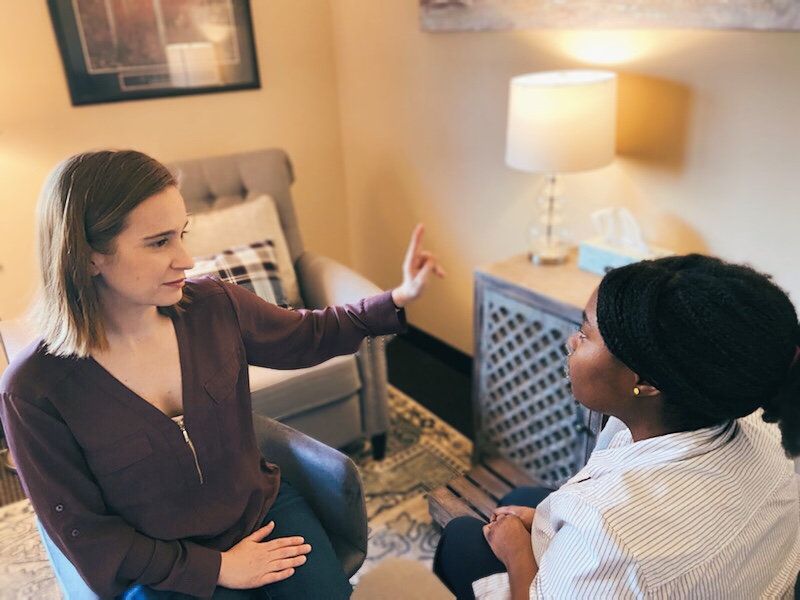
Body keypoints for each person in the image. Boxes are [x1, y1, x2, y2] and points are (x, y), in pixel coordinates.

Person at [0, 149, 445, 598]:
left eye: (182, 234)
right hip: (161, 566)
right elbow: (86, 534)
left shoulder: (213, 306)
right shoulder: (34, 391)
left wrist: (400, 297)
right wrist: (217, 567)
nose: (187, 259)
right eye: (159, 242)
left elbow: (311, 334)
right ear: (90, 255)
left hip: (264, 514)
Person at [434, 254, 800, 599]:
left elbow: (611, 544)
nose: (571, 342)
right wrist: (542, 524)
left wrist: (516, 552)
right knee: (520, 502)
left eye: (585, 333)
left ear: (646, 381)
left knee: (461, 536)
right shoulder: (756, 420)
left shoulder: (612, 538)